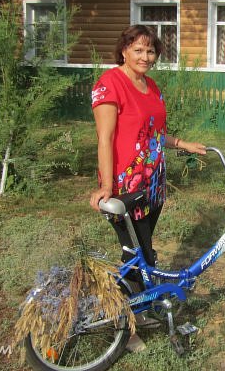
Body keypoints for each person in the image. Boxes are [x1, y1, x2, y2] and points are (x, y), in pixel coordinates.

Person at [89, 25, 205, 350]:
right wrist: (107, 186)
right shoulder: (110, 84)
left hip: (152, 187)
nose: (145, 56)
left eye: (150, 50)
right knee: (133, 256)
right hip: (126, 189)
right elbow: (105, 138)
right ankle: (124, 328)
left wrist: (183, 143)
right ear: (124, 50)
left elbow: (154, 134)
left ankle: (139, 308)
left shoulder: (151, 86)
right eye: (138, 49)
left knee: (144, 253)